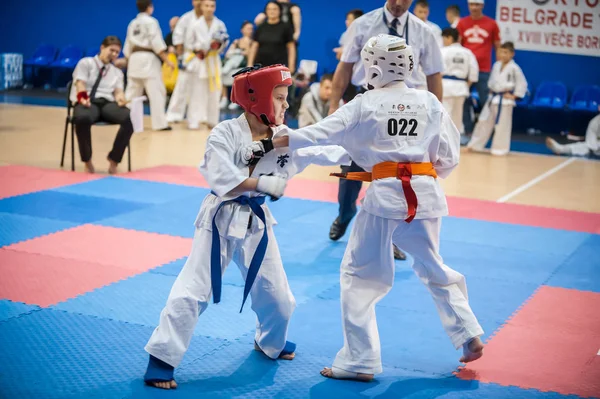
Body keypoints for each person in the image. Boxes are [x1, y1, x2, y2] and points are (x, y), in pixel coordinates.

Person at [247, 34, 485, 382]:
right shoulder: (430, 101)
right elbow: (449, 157)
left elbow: (320, 133)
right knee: (433, 266)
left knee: (359, 277)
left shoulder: (367, 103)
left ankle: (360, 361)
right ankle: (469, 334)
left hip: (385, 199)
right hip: (428, 196)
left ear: (374, 67)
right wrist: (420, 172)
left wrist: (275, 138)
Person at [142, 64, 351, 389]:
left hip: (257, 222)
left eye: (286, 98)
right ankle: (162, 357)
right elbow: (219, 174)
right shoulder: (224, 133)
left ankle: (270, 341)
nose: (286, 106)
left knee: (278, 296)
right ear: (256, 100)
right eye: (280, 98)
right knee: (194, 289)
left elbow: (322, 150)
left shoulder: (285, 137)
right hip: (220, 219)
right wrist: (262, 183)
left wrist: (367, 153)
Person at [326, 0, 444, 260]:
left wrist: (440, 119)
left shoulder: (424, 32)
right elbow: (345, 66)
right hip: (367, 102)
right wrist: (334, 104)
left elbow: (434, 75)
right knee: (353, 167)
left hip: (405, 107)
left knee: (394, 175)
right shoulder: (363, 24)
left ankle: (391, 238)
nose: (400, 3)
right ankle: (345, 214)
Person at [69, 36, 134, 174]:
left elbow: (118, 91)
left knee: (131, 118)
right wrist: (82, 98)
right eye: (112, 50)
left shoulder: (116, 72)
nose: (114, 54)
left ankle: (114, 159)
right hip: (87, 101)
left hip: (107, 104)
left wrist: (121, 99)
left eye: (117, 52)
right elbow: (80, 83)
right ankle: (87, 161)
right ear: (102, 48)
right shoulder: (86, 63)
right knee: (82, 118)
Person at [467, 41, 527, 156]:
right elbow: (492, 81)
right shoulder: (496, 65)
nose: (502, 55)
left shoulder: (515, 68)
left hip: (505, 100)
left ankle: (500, 149)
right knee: (483, 121)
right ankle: (475, 145)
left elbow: (522, 84)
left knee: (502, 125)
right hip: (493, 98)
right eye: (500, 52)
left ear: (512, 54)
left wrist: (514, 96)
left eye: (506, 52)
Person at [123, 0, 173, 132]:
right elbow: (156, 42)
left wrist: (128, 59)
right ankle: (159, 124)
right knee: (156, 92)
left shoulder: (132, 23)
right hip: (148, 59)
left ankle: (126, 120)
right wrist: (167, 60)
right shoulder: (151, 22)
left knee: (131, 93)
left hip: (134, 58)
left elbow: (127, 45)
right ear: (150, 8)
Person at [457, 0, 501, 135]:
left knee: (485, 102)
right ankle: (468, 130)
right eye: (471, 5)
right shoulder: (462, 23)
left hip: (484, 70)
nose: (474, 8)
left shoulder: (492, 24)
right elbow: (458, 46)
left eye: (477, 5)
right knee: (462, 100)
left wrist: (499, 68)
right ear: (468, 5)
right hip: (465, 71)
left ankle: (485, 130)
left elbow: (497, 46)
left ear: (482, 6)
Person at [183, 0, 228, 129]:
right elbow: (188, 44)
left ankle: (212, 120)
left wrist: (218, 45)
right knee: (196, 92)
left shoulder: (219, 24)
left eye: (212, 6)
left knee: (214, 92)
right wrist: (198, 49)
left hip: (213, 60)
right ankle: (193, 121)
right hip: (200, 60)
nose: (209, 8)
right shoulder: (194, 24)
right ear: (201, 7)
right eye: (207, 5)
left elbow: (225, 42)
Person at [165, 0, 203, 123]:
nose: (200, 2)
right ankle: (174, 114)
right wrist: (180, 56)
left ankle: (200, 116)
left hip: (204, 57)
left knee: (201, 87)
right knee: (181, 86)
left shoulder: (210, 20)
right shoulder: (186, 18)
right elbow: (178, 37)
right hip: (188, 55)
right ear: (193, 2)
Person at [441, 27, 478, 138]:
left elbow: (436, 71)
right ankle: (454, 142)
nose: (443, 41)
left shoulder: (443, 51)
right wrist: (465, 85)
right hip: (461, 87)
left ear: (449, 38)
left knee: (444, 115)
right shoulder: (468, 53)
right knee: (457, 117)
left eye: (444, 38)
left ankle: (443, 141)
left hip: (445, 86)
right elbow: (474, 74)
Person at [247, 1, 296, 74]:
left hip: (278, 67)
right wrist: (249, 64)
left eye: (274, 9)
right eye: (269, 9)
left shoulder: (286, 27)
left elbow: (291, 48)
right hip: (260, 67)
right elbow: (254, 46)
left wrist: (291, 66)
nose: (272, 11)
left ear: (280, 11)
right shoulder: (261, 27)